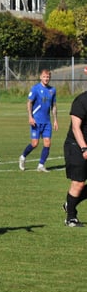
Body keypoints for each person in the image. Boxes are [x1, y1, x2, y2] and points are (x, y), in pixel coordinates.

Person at [18, 69, 58, 172]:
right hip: (36, 121)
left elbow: (54, 106)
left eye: (48, 77)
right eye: (44, 77)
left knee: (47, 143)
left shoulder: (52, 90)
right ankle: (23, 157)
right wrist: (30, 117)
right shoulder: (35, 89)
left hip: (47, 122)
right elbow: (29, 103)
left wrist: (55, 120)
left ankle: (41, 165)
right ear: (40, 77)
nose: (46, 78)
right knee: (35, 143)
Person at [62, 89, 87, 227]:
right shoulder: (81, 100)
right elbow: (76, 128)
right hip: (76, 145)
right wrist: (84, 147)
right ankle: (71, 217)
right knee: (78, 183)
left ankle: (70, 203)